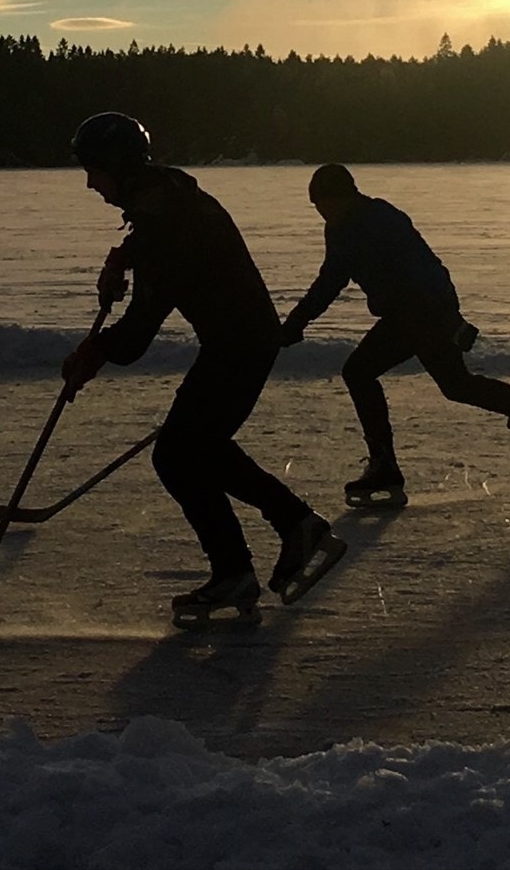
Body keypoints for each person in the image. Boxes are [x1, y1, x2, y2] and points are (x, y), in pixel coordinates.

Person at [61, 113, 345, 628]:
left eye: (93, 169)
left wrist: (93, 353)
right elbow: (161, 251)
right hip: (241, 340)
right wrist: (124, 257)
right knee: (197, 448)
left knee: (180, 454)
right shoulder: (166, 196)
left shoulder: (164, 222)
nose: (89, 182)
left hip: (239, 345)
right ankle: (287, 532)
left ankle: (260, 552)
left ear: (119, 167)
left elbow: (138, 333)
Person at [281, 164, 510, 508]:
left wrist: (449, 319)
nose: (321, 211)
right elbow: (330, 280)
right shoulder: (340, 228)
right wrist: (297, 322)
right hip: (406, 315)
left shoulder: (380, 220)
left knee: (362, 372)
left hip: (423, 312)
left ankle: (385, 464)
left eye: (325, 203)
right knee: (456, 385)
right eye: (317, 205)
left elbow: (424, 268)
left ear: (345, 196)